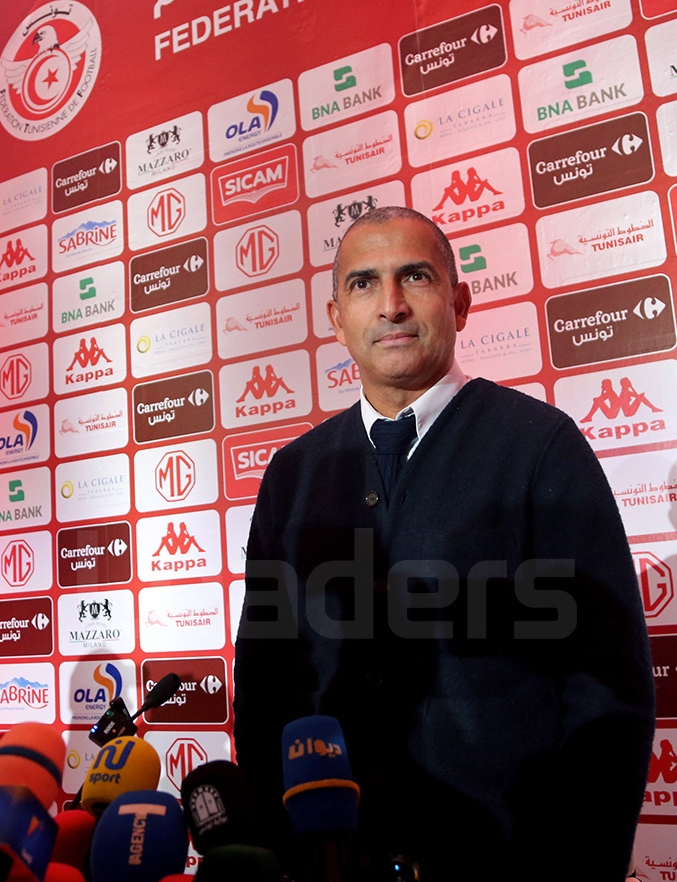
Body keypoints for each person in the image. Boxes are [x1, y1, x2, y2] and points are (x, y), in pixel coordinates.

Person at [233, 206, 655, 881]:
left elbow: (610, 691)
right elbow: (265, 687)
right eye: (364, 283)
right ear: (336, 318)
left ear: (459, 302)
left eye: (415, 277)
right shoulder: (293, 473)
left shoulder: (541, 447)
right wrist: (288, 854)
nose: (391, 305)